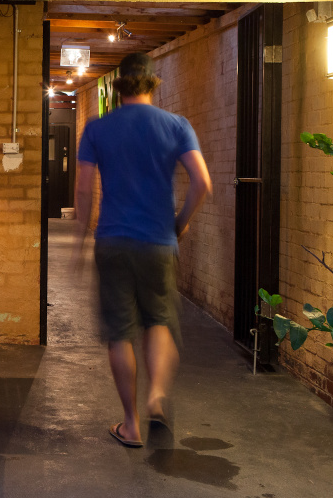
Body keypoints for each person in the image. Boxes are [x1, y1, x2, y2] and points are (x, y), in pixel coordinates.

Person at [74, 53, 212, 448]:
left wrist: (80, 239)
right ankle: (156, 397)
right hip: (158, 242)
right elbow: (202, 182)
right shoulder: (176, 125)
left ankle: (131, 426)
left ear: (118, 88)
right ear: (152, 84)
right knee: (158, 321)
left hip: (113, 241)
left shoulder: (97, 128)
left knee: (120, 333)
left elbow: (83, 190)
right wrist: (179, 222)